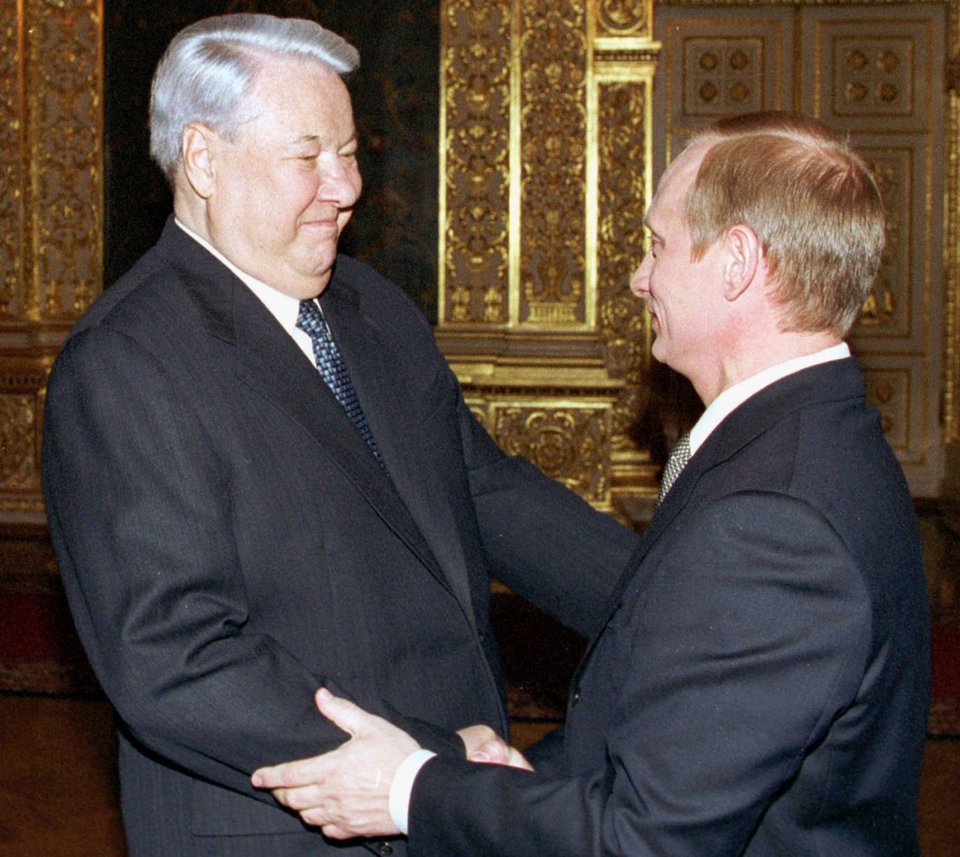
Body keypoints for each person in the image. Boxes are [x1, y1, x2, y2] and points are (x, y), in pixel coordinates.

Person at [39, 13, 640, 857]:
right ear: (204, 160)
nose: (346, 185)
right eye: (308, 156)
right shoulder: (128, 363)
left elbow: (485, 490)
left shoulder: (373, 310)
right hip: (293, 829)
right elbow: (175, 656)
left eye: (351, 153)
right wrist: (426, 764)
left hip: (445, 803)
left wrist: (670, 600)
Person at [252, 112, 932, 855]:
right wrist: (504, 779)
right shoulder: (814, 443)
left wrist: (408, 787)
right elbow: (674, 737)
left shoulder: (774, 521)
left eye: (659, 246)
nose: (640, 279)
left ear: (736, 262)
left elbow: (645, 839)